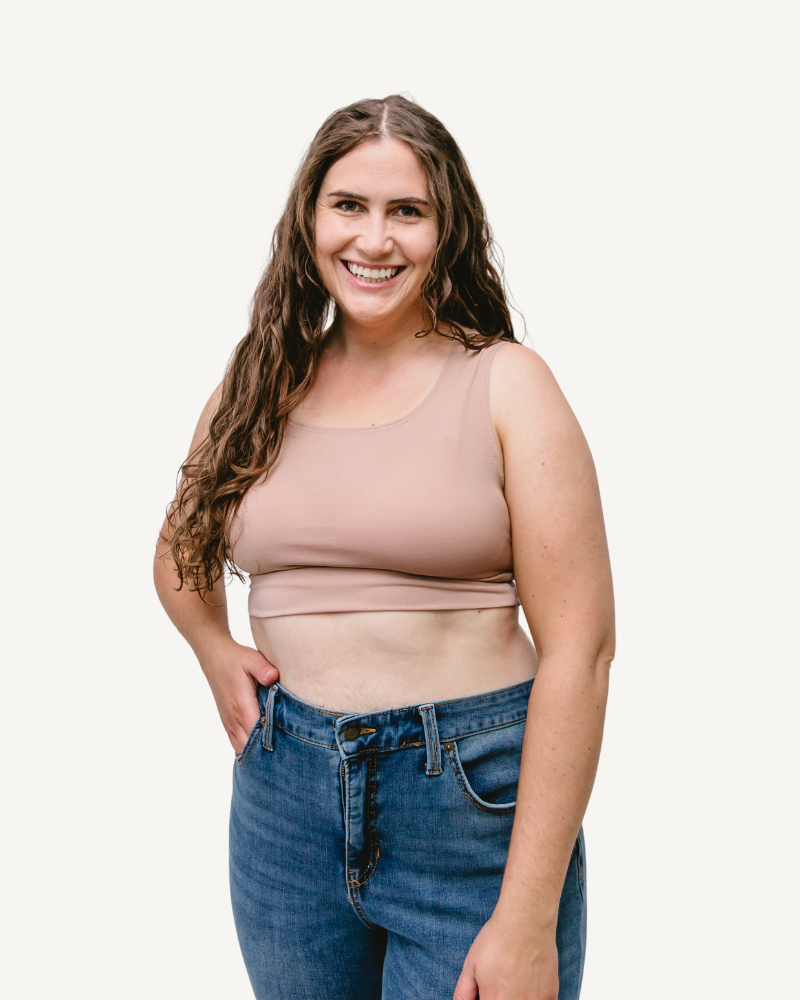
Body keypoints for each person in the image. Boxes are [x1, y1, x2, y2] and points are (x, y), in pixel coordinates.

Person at [153, 94, 614, 1000]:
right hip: (284, 805)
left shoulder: (506, 383)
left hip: (470, 805)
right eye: (349, 206)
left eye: (408, 211)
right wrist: (215, 651)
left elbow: (582, 652)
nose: (374, 239)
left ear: (449, 229)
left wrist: (526, 915)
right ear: (310, 221)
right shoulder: (260, 381)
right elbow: (179, 553)